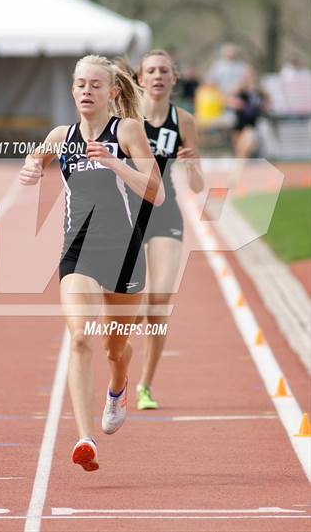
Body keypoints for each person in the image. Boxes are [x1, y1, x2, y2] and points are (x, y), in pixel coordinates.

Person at [19, 54, 164, 471]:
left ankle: (118, 389)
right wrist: (30, 169)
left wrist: (115, 162)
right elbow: (36, 157)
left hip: (123, 252)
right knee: (80, 337)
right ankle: (85, 439)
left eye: (95, 85)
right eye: (80, 84)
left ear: (112, 92)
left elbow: (157, 193)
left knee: (114, 348)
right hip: (78, 251)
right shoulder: (60, 135)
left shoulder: (127, 131)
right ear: (72, 90)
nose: (87, 90)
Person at [117, 50, 204, 410]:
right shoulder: (125, 118)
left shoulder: (183, 121)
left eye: (163, 71)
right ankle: (120, 338)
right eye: (150, 70)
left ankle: (145, 386)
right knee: (130, 305)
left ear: (174, 78)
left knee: (161, 302)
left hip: (165, 212)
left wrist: (193, 165)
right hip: (126, 213)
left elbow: (197, 186)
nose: (157, 76)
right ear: (139, 79)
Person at [227, 65, 269, 159]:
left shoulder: (259, 90)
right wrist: (236, 103)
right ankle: (241, 170)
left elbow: (268, 101)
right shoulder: (239, 89)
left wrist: (264, 106)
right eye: (246, 74)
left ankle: (247, 167)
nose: (249, 76)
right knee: (239, 151)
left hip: (252, 124)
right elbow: (228, 100)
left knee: (246, 148)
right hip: (239, 123)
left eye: (251, 74)